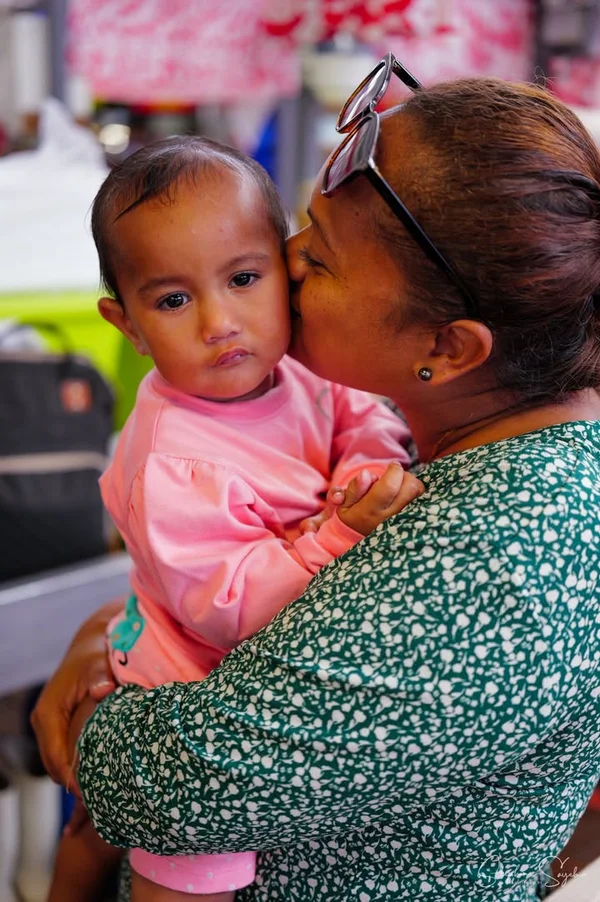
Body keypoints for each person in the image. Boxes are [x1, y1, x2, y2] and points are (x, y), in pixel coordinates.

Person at [33, 65, 600, 902]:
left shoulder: (503, 553)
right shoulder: (475, 424)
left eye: (321, 256)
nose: (285, 259)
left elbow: (177, 788)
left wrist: (92, 707)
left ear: (447, 349)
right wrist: (113, 627)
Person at [47, 136, 418, 902]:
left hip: (238, 644)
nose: (220, 321)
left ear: (286, 269)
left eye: (244, 279)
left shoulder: (298, 369)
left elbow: (361, 416)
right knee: (192, 861)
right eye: (173, 301)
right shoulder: (173, 460)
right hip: (188, 672)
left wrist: (364, 471)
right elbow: (232, 609)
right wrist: (343, 534)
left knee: (97, 830)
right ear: (126, 324)